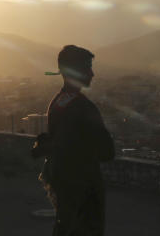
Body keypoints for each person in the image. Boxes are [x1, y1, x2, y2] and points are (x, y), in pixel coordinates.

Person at [33, 45, 114, 236]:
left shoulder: (57, 103)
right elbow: (107, 152)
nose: (92, 73)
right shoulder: (83, 107)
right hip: (84, 190)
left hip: (63, 187)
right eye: (87, 68)